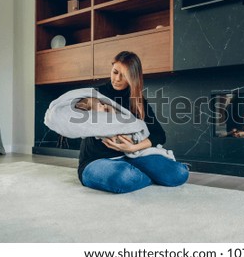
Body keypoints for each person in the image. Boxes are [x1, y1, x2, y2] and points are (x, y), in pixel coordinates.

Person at [78, 51, 189, 194]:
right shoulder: (96, 95)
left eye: (124, 75)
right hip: (95, 161)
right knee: (123, 176)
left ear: (133, 78)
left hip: (131, 157)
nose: (117, 79)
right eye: (115, 72)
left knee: (179, 173)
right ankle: (142, 176)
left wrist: (132, 148)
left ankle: (135, 174)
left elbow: (159, 135)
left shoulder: (138, 101)